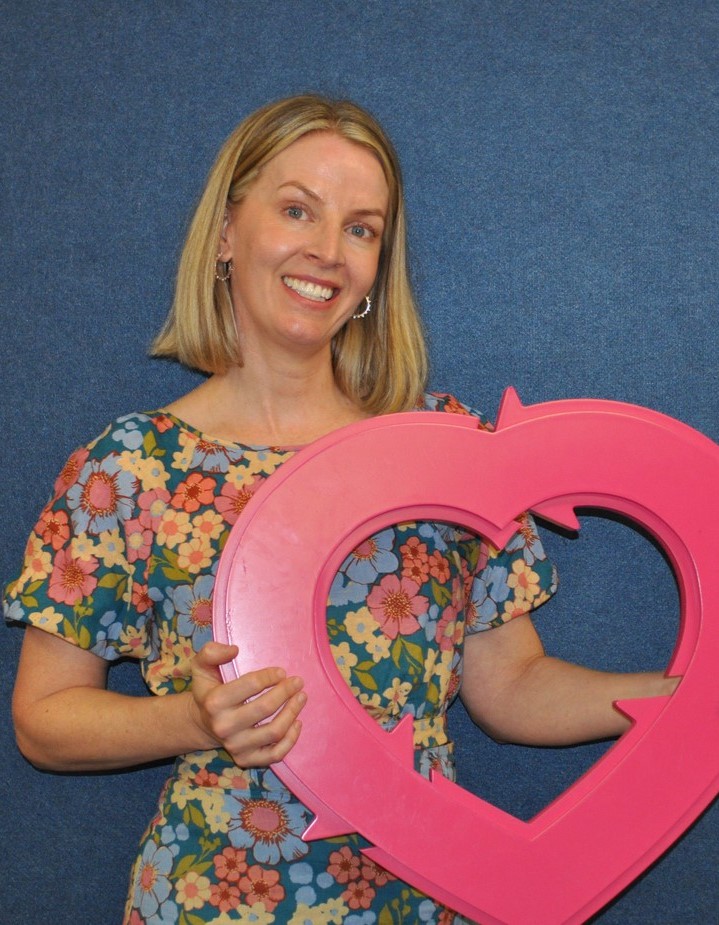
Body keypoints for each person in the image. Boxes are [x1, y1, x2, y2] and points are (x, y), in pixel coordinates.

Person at [4, 94, 677, 925]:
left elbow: (511, 686)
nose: (326, 251)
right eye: (297, 209)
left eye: (361, 228)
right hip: (210, 900)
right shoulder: (131, 466)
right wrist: (192, 719)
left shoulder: (447, 451)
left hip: (425, 894)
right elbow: (42, 720)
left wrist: (680, 697)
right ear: (225, 232)